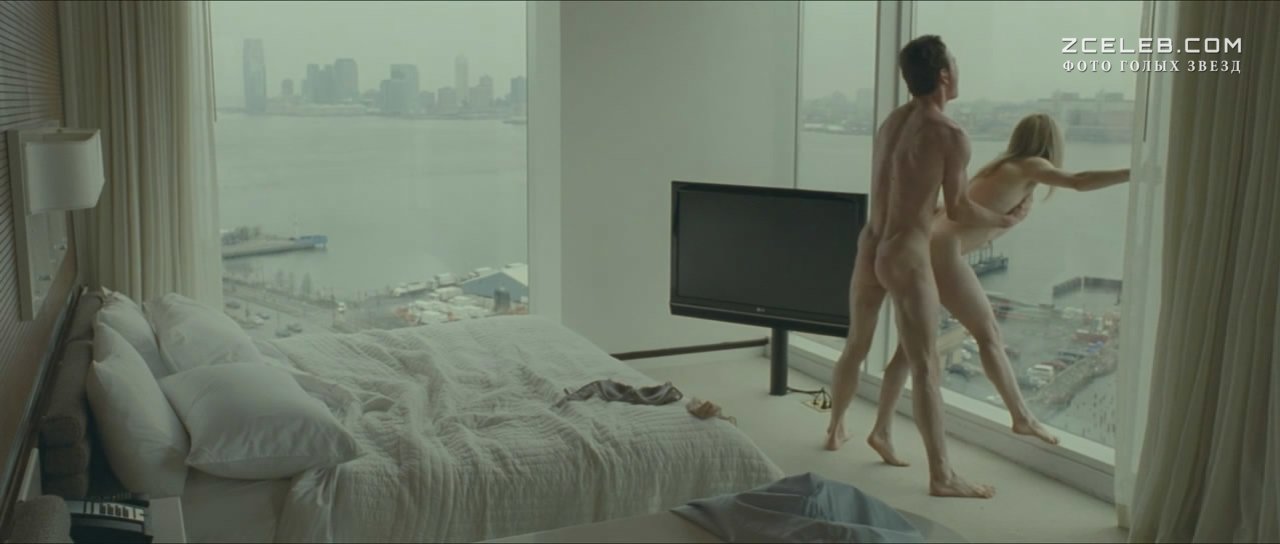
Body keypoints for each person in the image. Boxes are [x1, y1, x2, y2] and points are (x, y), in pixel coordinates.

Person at [822, 34, 1028, 499]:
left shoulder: (892, 123)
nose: (959, 69)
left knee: (856, 344)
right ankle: (942, 475)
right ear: (944, 74)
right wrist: (1005, 219)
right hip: (905, 254)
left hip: (870, 243)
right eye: (955, 63)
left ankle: (835, 429)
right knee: (926, 365)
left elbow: (902, 187)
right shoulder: (950, 134)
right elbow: (958, 209)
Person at [865, 113, 1131, 466]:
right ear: (1050, 144)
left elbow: (949, 210)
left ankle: (881, 431)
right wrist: (1133, 173)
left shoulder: (998, 168)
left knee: (908, 350)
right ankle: (1021, 416)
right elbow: (1079, 181)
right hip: (944, 254)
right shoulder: (1030, 165)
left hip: (928, 248)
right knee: (988, 334)